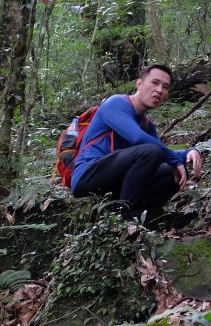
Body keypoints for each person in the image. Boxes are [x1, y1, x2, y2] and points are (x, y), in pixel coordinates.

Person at [71, 64, 203, 217]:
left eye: (165, 87)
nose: (159, 90)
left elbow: (161, 153)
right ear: (139, 84)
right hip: (87, 177)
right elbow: (138, 139)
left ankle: (139, 212)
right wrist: (174, 158)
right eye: (155, 83)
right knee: (150, 151)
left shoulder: (147, 125)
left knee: (170, 172)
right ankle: (126, 214)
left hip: (116, 182)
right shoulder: (115, 104)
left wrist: (189, 152)